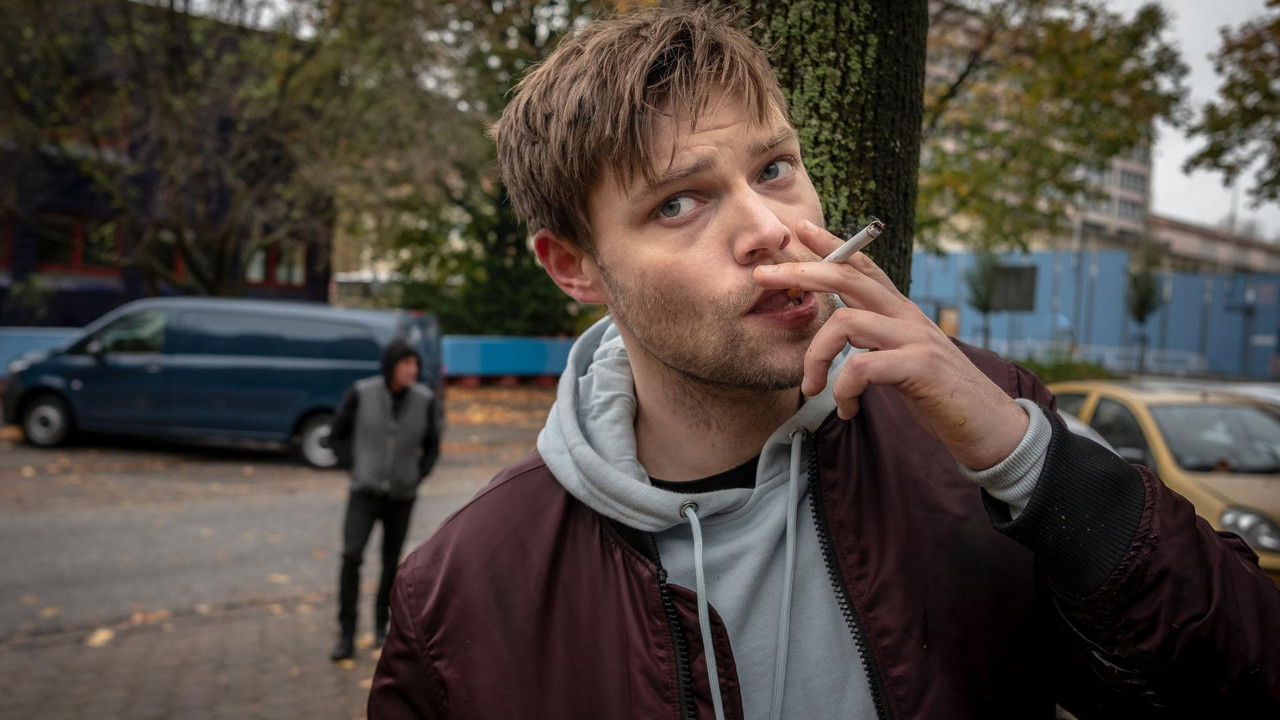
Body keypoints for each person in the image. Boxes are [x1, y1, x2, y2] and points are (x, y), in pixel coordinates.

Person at [370, 7, 1280, 718]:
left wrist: (1029, 462)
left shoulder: (987, 435)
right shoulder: (463, 589)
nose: (770, 228)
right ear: (574, 267)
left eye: (773, 169)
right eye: (680, 203)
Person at [327, 337, 440, 662]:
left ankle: (381, 626)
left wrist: (417, 475)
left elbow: (432, 445)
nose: (412, 370)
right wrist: (354, 466)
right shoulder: (362, 392)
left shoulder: (425, 399)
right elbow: (336, 434)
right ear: (391, 365)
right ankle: (346, 632)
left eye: (415, 364)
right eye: (406, 364)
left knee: (392, 563)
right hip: (364, 494)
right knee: (351, 556)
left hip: (401, 497)